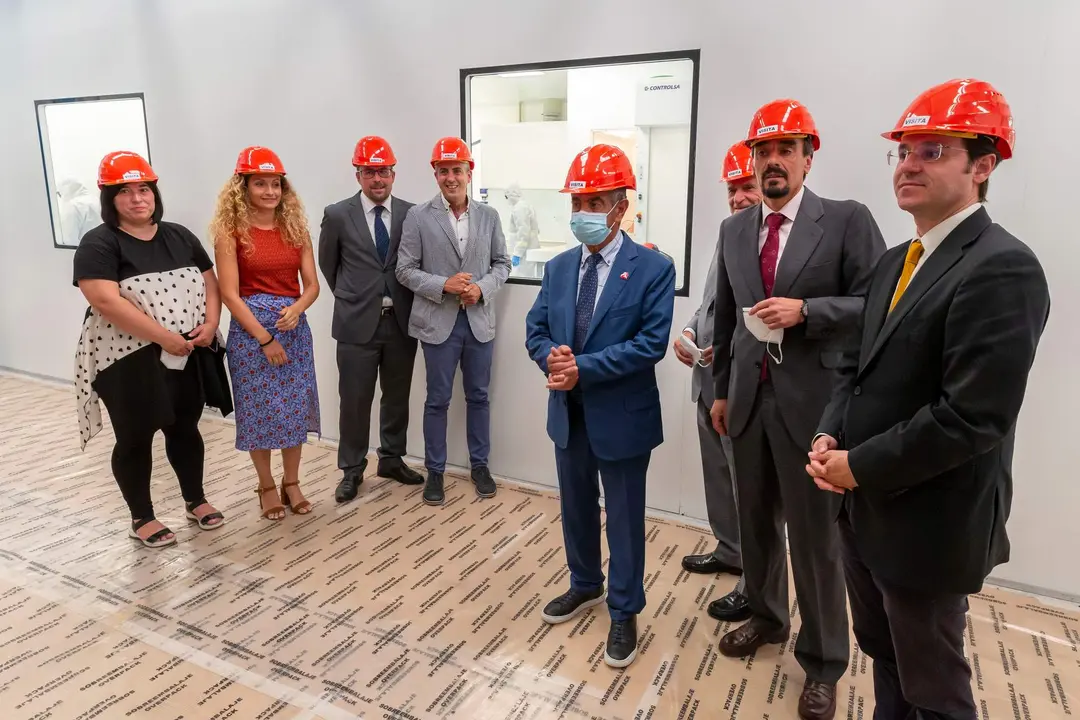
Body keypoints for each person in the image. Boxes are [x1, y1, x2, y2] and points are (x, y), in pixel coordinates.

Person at [808, 79, 1050, 720]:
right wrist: (831, 435)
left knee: (934, 687)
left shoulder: (1002, 267)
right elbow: (854, 367)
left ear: (983, 166)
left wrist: (859, 465)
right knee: (885, 656)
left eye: (933, 151)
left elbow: (973, 416)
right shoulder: (895, 260)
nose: (909, 164)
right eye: (904, 151)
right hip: (862, 510)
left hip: (929, 521)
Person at [709, 99, 886, 720]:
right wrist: (724, 392)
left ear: (809, 157)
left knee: (816, 541)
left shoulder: (845, 220)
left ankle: (823, 662)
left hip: (816, 408)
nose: (772, 161)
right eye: (763, 150)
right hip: (751, 404)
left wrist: (808, 312)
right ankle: (766, 616)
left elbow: (879, 307)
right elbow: (728, 320)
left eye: (786, 149)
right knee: (754, 525)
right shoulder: (734, 230)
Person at [525, 144, 675, 669]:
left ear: (620, 205)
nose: (583, 212)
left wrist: (581, 368)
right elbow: (535, 328)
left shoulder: (653, 267)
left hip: (623, 415)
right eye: (577, 201)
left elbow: (650, 344)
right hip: (569, 413)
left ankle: (624, 610)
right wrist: (553, 356)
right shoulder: (560, 267)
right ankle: (585, 583)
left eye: (595, 201)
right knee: (576, 506)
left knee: (625, 516)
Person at [73, 151, 228, 548]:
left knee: (185, 428)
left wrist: (211, 324)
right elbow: (105, 299)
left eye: (144, 189)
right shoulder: (99, 243)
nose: (138, 199)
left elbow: (211, 282)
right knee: (135, 437)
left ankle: (196, 500)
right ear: (109, 198)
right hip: (128, 360)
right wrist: (162, 336)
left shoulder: (178, 235)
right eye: (125, 192)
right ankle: (141, 516)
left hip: (187, 352)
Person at [396, 137, 511, 505]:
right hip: (438, 323)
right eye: (443, 171)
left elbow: (502, 264)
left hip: (478, 322)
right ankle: (436, 472)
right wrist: (442, 285)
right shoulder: (418, 216)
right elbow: (404, 270)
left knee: (478, 397)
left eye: (457, 170)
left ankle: (480, 466)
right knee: (438, 400)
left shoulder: (489, 216)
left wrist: (482, 288)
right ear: (435, 173)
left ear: (469, 171)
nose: (450, 177)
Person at [674, 141, 761, 623]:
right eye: (732, 189)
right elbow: (711, 303)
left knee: (749, 487)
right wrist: (689, 333)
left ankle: (756, 580)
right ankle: (730, 550)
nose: (738, 197)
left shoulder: (770, 245)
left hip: (743, 389)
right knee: (718, 477)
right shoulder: (729, 234)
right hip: (707, 379)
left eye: (746, 186)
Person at [211, 146, 321, 521]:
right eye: (261, 184)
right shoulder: (231, 233)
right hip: (250, 333)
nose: (270, 191)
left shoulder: (296, 229)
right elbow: (229, 293)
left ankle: (292, 482)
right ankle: (266, 486)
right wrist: (264, 336)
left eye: (276, 184)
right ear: (243, 187)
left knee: (291, 409)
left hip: (294, 329)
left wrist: (298, 308)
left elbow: (312, 285)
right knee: (259, 412)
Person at [318, 136, 423, 503]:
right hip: (355, 323)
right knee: (355, 399)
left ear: (393, 174)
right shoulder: (337, 214)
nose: (377, 179)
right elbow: (328, 266)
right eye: (369, 172)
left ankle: (391, 459)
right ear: (358, 174)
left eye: (383, 172)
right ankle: (351, 469)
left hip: (401, 322)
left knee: (396, 396)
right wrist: (356, 297)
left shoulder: (413, 213)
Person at [57, 177, 100, 246]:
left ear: (65, 190)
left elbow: (69, 239)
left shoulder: (72, 206)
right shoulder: (96, 200)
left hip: (84, 252)